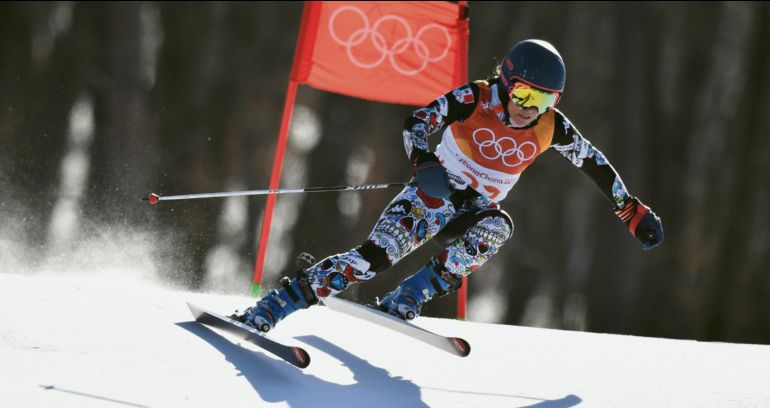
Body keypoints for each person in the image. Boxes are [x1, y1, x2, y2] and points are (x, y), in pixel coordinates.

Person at [239, 39, 664, 332]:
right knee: (370, 261)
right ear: (505, 81)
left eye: (544, 101)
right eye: (524, 96)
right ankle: (276, 305)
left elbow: (594, 162)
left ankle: (411, 294)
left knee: (498, 227)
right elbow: (417, 122)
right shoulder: (475, 98)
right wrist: (424, 161)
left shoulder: (552, 127)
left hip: (475, 211)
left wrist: (629, 209)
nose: (528, 111)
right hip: (433, 197)